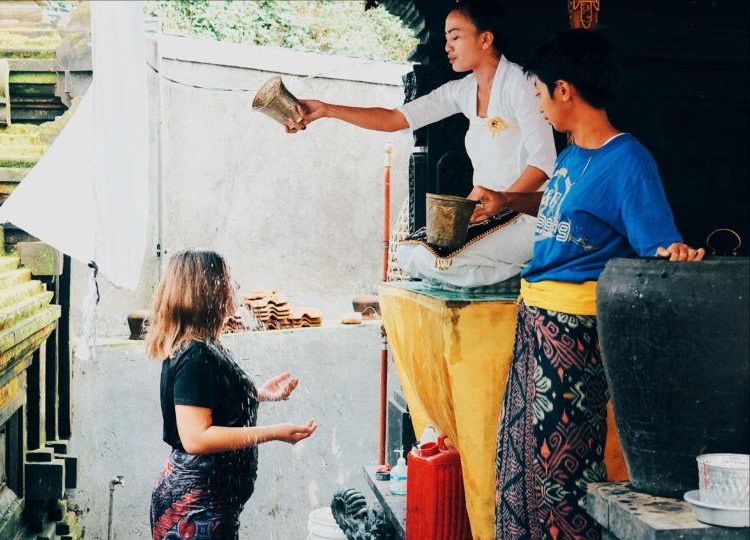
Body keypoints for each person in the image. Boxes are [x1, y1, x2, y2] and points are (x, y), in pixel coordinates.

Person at [467, 30, 704, 539]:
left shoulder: (628, 162)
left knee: (562, 474)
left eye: (539, 94)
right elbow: (561, 205)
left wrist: (676, 254)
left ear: (564, 90)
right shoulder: (573, 156)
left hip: (573, 336)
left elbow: (659, 247)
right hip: (535, 323)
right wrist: (508, 200)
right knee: (519, 460)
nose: (538, 105)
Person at [288, 0, 556, 288]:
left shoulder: (521, 84)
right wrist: (327, 110)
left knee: (442, 260)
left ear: (485, 39)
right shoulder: (463, 90)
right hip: (485, 216)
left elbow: (543, 163)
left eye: (455, 36)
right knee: (409, 253)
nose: (447, 47)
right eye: (446, 39)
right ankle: (504, 271)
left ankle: (518, 277)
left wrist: (501, 202)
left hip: (526, 218)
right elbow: (394, 118)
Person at [147, 249, 318, 540]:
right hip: (195, 510)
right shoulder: (195, 354)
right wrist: (274, 432)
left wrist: (257, 395)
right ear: (205, 289)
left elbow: (209, 405)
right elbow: (196, 438)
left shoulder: (205, 345)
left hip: (208, 505)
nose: (235, 287)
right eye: (227, 279)